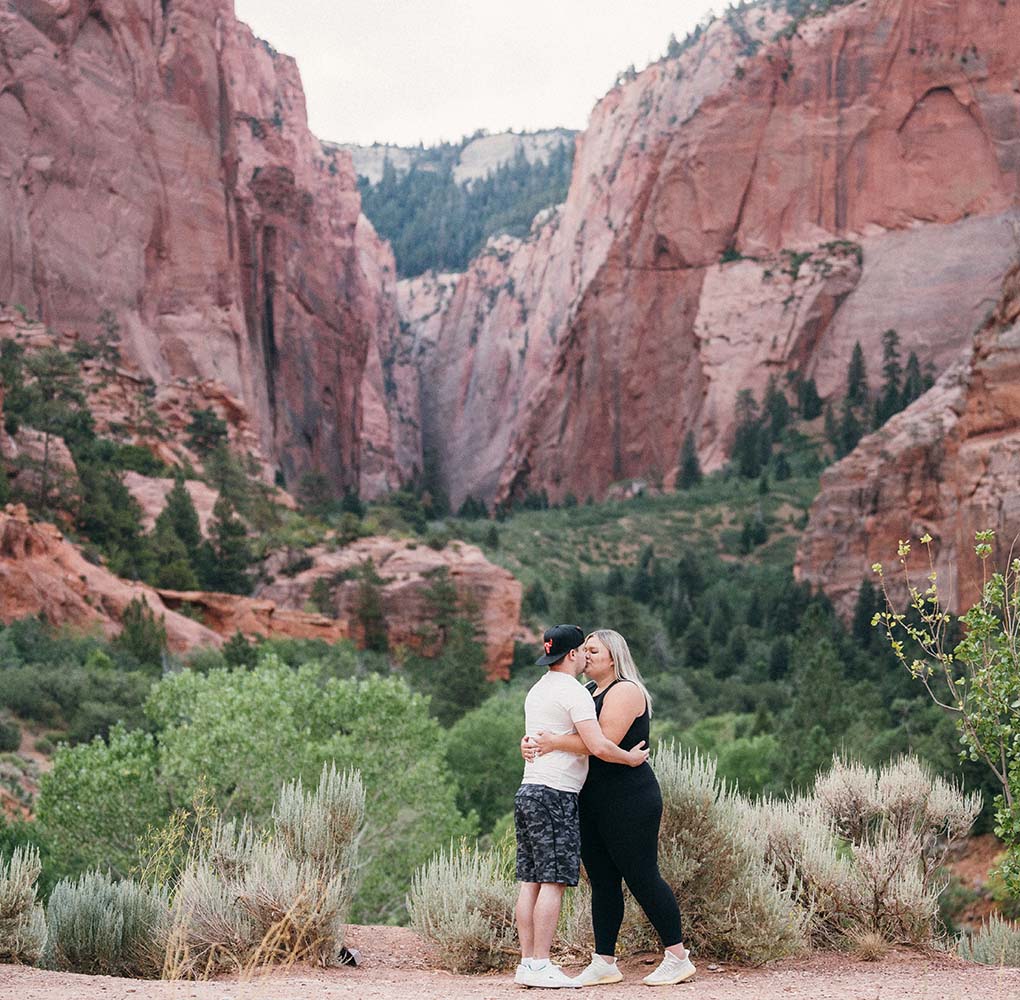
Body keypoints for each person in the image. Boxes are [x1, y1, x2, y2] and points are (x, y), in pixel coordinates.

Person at [523, 629, 695, 987]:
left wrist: (552, 742)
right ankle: (604, 960)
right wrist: (533, 743)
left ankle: (677, 956)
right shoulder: (586, 692)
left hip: (629, 796)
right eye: (584, 650)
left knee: (642, 874)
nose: (586, 655)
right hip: (590, 798)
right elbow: (563, 730)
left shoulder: (627, 691)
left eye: (593, 650)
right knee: (602, 881)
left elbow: (602, 742)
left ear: (613, 657)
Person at [514, 624, 650, 990]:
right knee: (554, 882)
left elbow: (534, 738)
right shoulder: (575, 692)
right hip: (555, 793)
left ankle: (527, 962)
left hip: (528, 790)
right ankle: (541, 965)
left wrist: (533, 746)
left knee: (529, 881)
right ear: (572, 655)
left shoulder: (536, 690)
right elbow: (599, 746)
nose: (587, 658)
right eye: (583, 651)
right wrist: (630, 759)